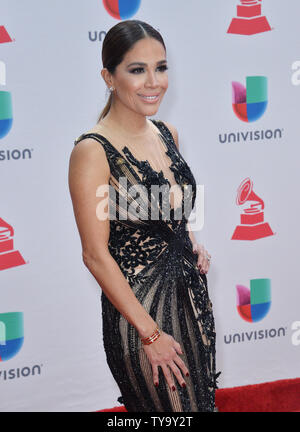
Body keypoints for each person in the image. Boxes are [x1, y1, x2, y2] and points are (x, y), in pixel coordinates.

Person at [68, 20, 220, 412]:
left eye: (161, 67)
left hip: (192, 301)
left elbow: (170, 221)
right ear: (109, 76)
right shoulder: (93, 150)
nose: (154, 81)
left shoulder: (168, 133)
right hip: (142, 320)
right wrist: (151, 336)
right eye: (138, 70)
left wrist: (191, 246)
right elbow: (95, 254)